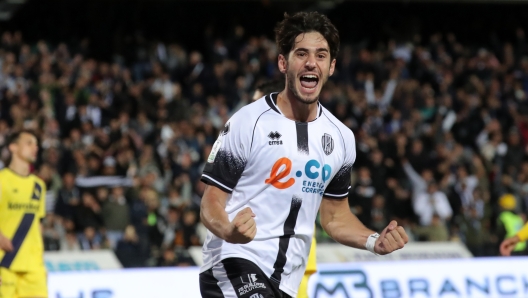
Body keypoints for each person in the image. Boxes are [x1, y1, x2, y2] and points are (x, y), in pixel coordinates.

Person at [199, 11, 408, 298]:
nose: (311, 62)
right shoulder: (248, 122)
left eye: (321, 55)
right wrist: (229, 231)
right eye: (301, 54)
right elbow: (211, 201)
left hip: (287, 282)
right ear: (283, 63)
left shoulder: (341, 137)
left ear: (332, 66)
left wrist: (373, 241)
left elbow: (334, 217)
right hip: (234, 261)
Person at [253, 80, 315, 298]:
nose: (253, 110)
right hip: (257, 254)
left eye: (258, 103)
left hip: (288, 251)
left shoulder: (298, 143)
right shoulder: (252, 136)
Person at [0, 130, 48, 298]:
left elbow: (38, 226)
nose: (35, 147)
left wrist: (42, 263)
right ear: (13, 147)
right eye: (29, 143)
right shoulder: (2, 180)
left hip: (34, 268)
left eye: (36, 144)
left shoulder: (39, 185)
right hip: (5, 265)